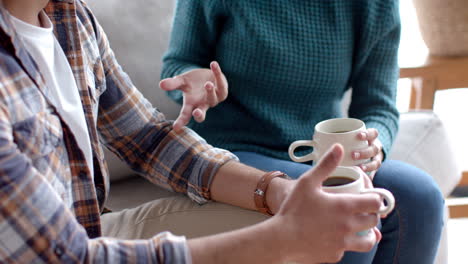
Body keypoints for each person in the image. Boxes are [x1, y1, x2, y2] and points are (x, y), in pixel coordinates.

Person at [0, 0, 386, 263]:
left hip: (91, 232)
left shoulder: (72, 19)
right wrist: (282, 238)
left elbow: (148, 138)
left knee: (316, 215)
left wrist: (276, 190)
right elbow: (66, 258)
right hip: (55, 254)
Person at [160, 0, 445, 263]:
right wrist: (198, 83)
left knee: (421, 197)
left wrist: (374, 145)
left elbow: (379, 106)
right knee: (345, 211)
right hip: (233, 147)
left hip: (321, 152)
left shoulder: (376, 5)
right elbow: (177, 64)